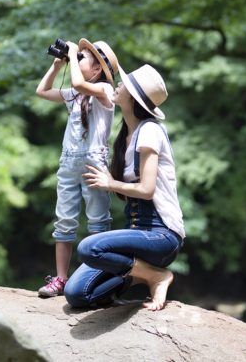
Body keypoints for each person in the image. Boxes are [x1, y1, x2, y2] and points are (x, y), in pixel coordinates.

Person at [63, 64, 185, 311]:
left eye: (124, 84)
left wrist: (110, 183)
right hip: (137, 234)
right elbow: (124, 191)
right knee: (77, 294)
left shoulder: (150, 130)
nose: (118, 84)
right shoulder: (125, 135)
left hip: (161, 235)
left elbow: (147, 190)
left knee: (89, 247)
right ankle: (138, 274)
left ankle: (157, 275)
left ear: (134, 97)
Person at [35, 38, 120, 298]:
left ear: (97, 70)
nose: (78, 59)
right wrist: (57, 66)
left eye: (83, 58)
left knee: (97, 220)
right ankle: (61, 278)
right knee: (64, 220)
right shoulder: (75, 94)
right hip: (69, 162)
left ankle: (97, 275)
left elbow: (78, 82)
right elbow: (42, 91)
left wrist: (72, 56)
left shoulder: (106, 90)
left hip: (93, 162)